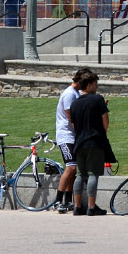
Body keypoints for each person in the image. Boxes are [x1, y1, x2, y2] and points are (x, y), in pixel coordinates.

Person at [68, 71, 112, 216]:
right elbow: (105, 119)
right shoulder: (98, 99)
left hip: (79, 143)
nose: (97, 86)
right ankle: (91, 207)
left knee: (80, 175)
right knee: (93, 174)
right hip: (94, 142)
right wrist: (102, 133)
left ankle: (77, 206)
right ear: (90, 84)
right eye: (95, 83)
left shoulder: (74, 103)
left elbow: (73, 124)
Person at [52, 69, 88, 213]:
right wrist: (81, 132)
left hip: (72, 135)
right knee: (71, 167)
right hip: (65, 135)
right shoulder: (69, 95)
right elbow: (71, 118)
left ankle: (67, 201)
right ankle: (57, 201)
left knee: (74, 170)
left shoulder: (76, 93)